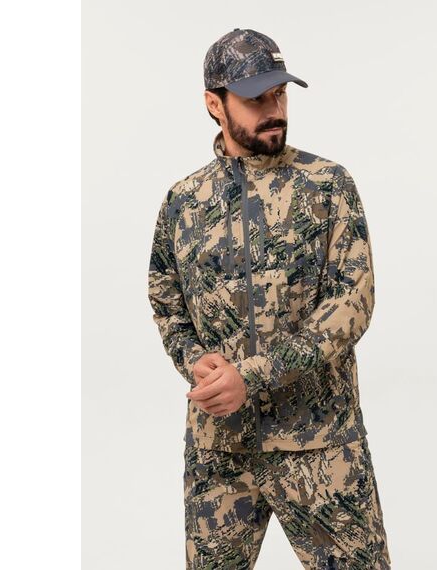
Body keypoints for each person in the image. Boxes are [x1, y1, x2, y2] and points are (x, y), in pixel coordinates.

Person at [148, 27, 391, 569]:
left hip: (321, 446)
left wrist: (250, 375)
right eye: (255, 99)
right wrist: (195, 360)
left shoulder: (328, 185)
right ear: (214, 104)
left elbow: (351, 302)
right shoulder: (184, 201)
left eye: (279, 94)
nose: (274, 110)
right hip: (219, 452)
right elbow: (166, 299)